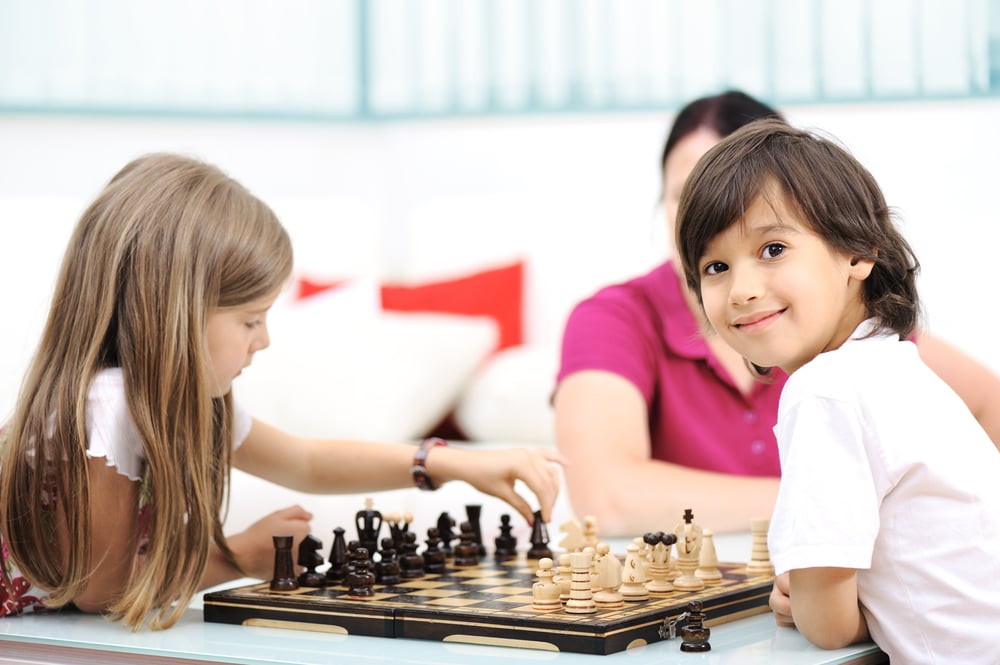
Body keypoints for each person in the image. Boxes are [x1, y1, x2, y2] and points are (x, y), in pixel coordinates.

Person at [0, 153, 564, 630]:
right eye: (250, 320)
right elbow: (105, 590)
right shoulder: (110, 405)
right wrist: (237, 557)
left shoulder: (181, 404)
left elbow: (307, 461)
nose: (264, 340)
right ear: (175, 313)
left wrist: (451, 464)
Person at [553, 90, 1000, 536]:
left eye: (772, 247)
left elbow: (986, 402)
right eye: (687, 194)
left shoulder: (847, 327)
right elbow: (606, 497)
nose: (714, 213)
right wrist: (828, 503)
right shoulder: (615, 318)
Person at [675, 118, 1000, 663]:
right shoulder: (899, 367)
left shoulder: (825, 391)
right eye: (715, 267)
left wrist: (802, 602)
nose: (742, 290)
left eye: (773, 249)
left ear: (858, 252)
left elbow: (827, 627)